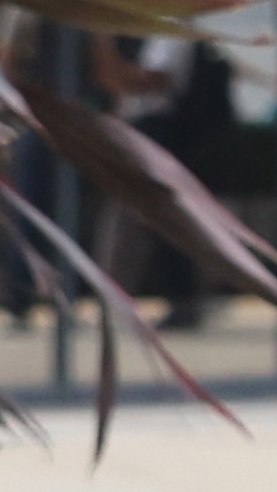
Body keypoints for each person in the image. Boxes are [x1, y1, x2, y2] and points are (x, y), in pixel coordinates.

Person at [97, 34, 241, 327]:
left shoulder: (169, 35)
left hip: (157, 130)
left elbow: (154, 80)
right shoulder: (154, 37)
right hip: (152, 130)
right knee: (142, 220)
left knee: (159, 221)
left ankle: (177, 297)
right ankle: (117, 295)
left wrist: (107, 56)